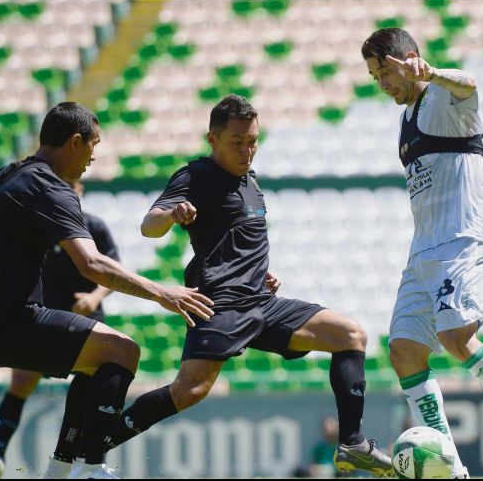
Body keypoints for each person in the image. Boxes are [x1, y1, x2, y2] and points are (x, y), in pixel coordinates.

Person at [102, 94, 394, 477]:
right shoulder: (196, 176)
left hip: (261, 300)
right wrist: (172, 215)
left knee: (350, 335)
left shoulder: (251, 181)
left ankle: (351, 443)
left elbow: (241, 241)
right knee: (189, 391)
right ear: (213, 140)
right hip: (220, 305)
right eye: (237, 142)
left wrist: (262, 274)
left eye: (252, 141)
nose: (247, 150)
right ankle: (94, 448)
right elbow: (149, 224)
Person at [0, 102, 214, 480]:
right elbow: (92, 264)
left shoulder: (7, 175)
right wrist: (163, 293)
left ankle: (61, 468)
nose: (94, 157)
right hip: (13, 319)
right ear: (75, 142)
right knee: (124, 350)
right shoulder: (51, 188)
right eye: (94, 145)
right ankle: (92, 468)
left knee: (97, 359)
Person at [360, 28, 483, 478]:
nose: (383, 83)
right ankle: (451, 467)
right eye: (375, 77)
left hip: (463, 239)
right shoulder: (405, 116)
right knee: (405, 352)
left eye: (386, 71)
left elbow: (469, 84)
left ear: (410, 59)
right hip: (423, 251)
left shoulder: (444, 97)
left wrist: (433, 73)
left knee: (454, 337)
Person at [0, 179, 121, 479]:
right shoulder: (38, 229)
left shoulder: (93, 227)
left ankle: (84, 462)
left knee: (93, 382)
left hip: (86, 320)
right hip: (44, 320)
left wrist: (94, 296)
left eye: (74, 188)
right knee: (21, 381)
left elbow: (112, 268)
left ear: (81, 192)